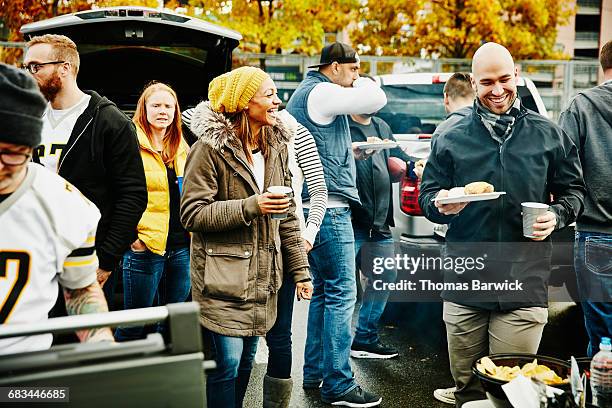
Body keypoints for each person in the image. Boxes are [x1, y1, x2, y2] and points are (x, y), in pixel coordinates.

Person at [418, 42, 584, 407]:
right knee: (468, 391)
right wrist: (443, 205)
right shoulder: (451, 132)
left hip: (524, 283)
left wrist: (555, 216)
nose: (497, 90)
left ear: (517, 76)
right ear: (473, 83)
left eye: (505, 79)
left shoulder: (547, 133)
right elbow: (427, 197)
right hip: (465, 282)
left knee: (512, 392)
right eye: (487, 82)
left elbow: (574, 193)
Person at [180, 66, 313, 408]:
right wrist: (252, 205)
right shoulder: (208, 150)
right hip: (223, 278)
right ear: (243, 102)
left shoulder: (277, 147)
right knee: (227, 364)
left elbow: (289, 217)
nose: (277, 101)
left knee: (244, 362)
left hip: (264, 279)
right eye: (269, 94)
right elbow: (192, 215)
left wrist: (300, 270)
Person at [286, 42, 387, 407]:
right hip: (328, 210)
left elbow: (321, 143)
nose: (357, 76)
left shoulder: (311, 94)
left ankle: (315, 373)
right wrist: (360, 83)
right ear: (333, 67)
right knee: (344, 293)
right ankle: (339, 384)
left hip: (316, 207)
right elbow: (376, 98)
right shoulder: (323, 91)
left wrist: (353, 152)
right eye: (354, 68)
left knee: (325, 295)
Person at [23, 34, 147, 308]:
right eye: (26, 67)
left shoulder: (110, 122)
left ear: (64, 68)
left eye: (35, 66)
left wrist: (106, 260)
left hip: (87, 257)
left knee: (81, 344)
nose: (29, 74)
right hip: (34, 253)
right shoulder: (28, 118)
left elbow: (133, 195)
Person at [0, 62, 113, 355]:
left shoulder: (63, 205)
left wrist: (100, 344)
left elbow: (80, 288)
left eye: (11, 155)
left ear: (30, 150)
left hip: (24, 372)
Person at [114, 82, 191, 341]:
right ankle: (116, 375)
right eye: (156, 105)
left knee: (173, 321)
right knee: (135, 322)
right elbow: (116, 194)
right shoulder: (129, 142)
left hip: (181, 246)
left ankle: (160, 378)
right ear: (143, 109)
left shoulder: (181, 145)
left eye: (168, 106)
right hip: (145, 245)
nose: (163, 111)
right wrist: (132, 238)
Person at [348, 91, 411, 360]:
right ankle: (331, 358)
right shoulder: (342, 125)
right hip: (351, 222)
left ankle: (365, 338)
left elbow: (397, 156)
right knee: (342, 290)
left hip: (380, 222)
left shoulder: (381, 126)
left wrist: (412, 166)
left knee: (384, 276)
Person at [559, 40, 612, 358]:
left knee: (603, 339)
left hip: (596, 236)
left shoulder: (581, 106)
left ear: (601, 65)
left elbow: (561, 167)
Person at [429, 73, 475, 405]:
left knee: (465, 318)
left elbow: (431, 193)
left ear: (447, 99)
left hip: (462, 237)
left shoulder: (446, 130)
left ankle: (467, 390)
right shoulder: (510, 125)